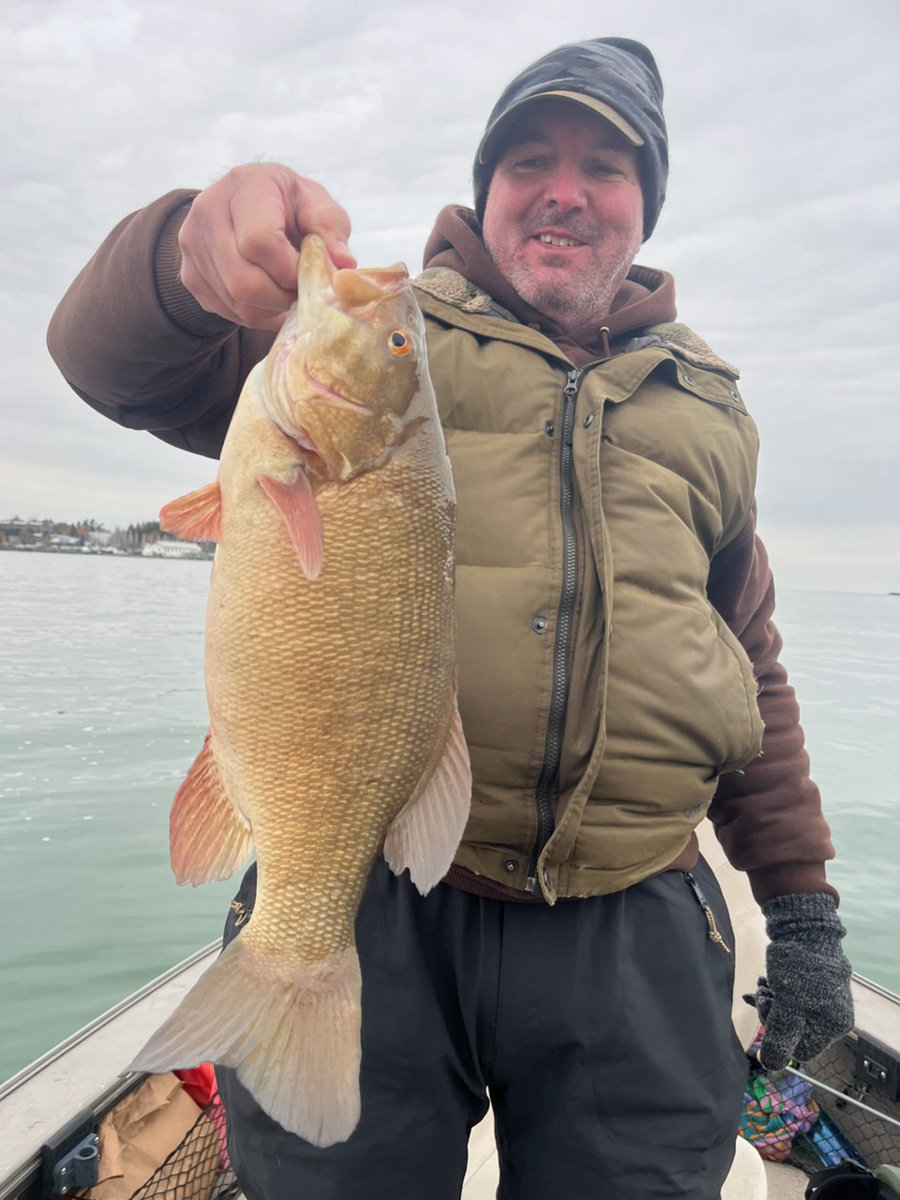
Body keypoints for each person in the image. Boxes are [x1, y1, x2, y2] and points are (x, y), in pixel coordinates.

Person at [48, 37, 854, 1200]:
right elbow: (105, 360)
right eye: (529, 158)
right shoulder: (386, 345)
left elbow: (746, 668)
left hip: (633, 919)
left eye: (605, 164)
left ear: (647, 204)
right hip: (384, 896)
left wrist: (803, 908)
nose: (564, 188)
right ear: (488, 189)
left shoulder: (710, 409)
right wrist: (185, 256)